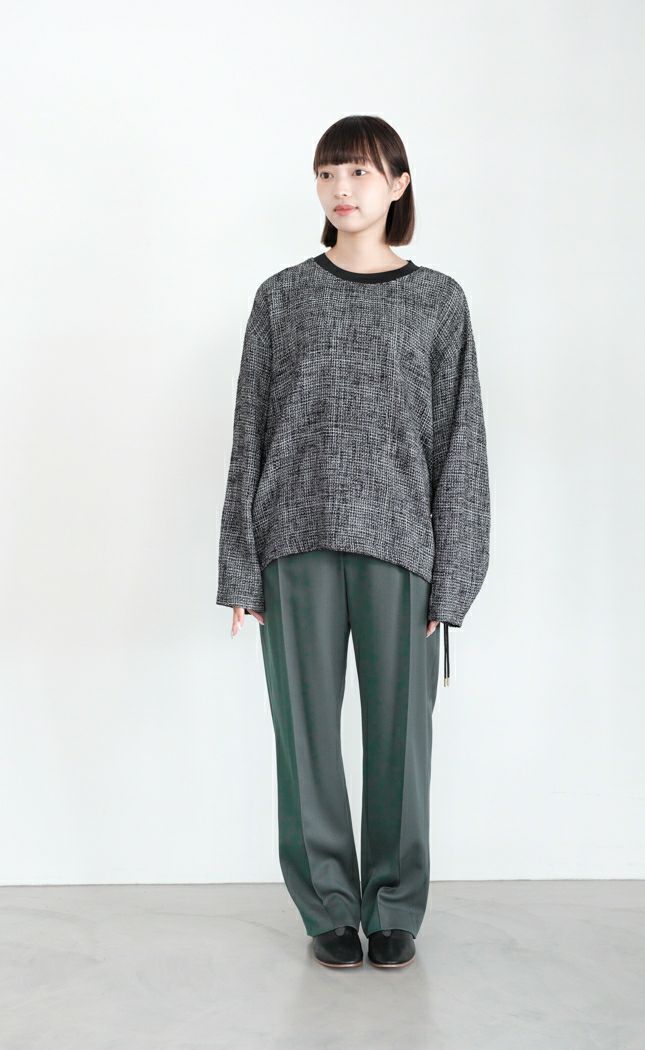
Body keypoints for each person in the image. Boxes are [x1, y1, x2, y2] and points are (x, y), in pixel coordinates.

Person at [216, 114, 490, 969]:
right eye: (329, 172)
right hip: (293, 541)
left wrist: (454, 580)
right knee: (305, 738)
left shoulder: (438, 301)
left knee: (401, 741)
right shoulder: (282, 297)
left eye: (362, 172)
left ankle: (395, 906)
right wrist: (240, 569)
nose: (343, 189)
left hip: (402, 546)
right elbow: (249, 433)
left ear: (398, 184)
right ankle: (328, 907)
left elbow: (461, 445)